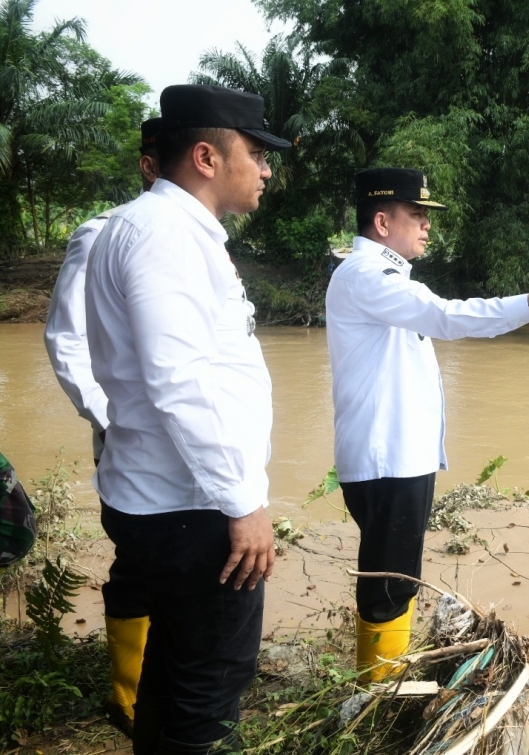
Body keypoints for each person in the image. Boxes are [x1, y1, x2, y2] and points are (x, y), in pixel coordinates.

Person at [326, 168, 529, 681]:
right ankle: (376, 693)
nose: (426, 226)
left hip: (395, 456)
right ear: (383, 221)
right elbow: (450, 317)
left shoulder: (381, 277)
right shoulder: (368, 276)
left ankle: (382, 680)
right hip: (386, 458)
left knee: (397, 576)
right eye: (417, 215)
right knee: (391, 582)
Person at [85, 84, 290, 755]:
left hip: (168, 501)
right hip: (192, 510)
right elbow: (181, 382)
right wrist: (242, 499)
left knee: (173, 676)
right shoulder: (163, 236)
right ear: (206, 155)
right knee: (210, 692)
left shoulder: (163, 230)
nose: (265, 168)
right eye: (256, 152)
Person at [43, 116, 161, 735]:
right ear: (148, 166)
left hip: (183, 438)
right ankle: (127, 698)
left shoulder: (204, 240)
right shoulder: (102, 234)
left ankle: (160, 683)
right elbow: (65, 339)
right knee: (136, 558)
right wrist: (108, 416)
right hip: (128, 432)